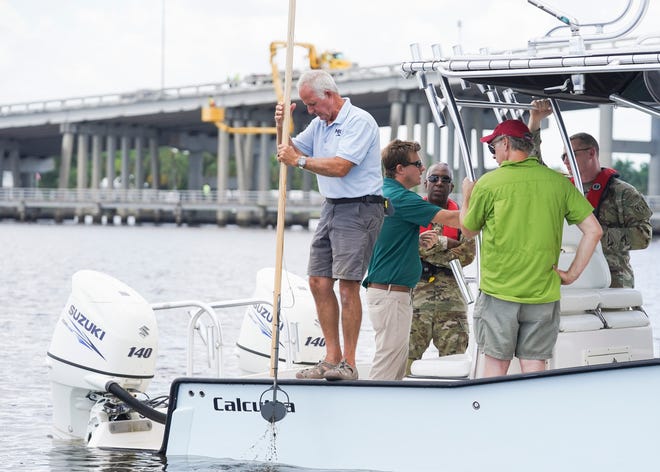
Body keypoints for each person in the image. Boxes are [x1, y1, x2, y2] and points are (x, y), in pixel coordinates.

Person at [460, 119, 603, 378]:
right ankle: (532, 417)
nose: (494, 153)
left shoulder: (488, 183)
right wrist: (570, 275)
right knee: (534, 368)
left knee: (495, 366)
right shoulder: (558, 183)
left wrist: (466, 196)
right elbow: (594, 231)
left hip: (499, 292)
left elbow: (468, 230)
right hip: (543, 293)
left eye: (493, 147)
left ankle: (492, 417)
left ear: (505, 144)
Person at [275, 69, 384, 381]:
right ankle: (331, 357)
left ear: (329, 95)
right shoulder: (319, 123)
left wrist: (298, 161)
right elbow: (290, 149)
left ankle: (348, 363)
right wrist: (282, 125)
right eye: (306, 107)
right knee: (318, 282)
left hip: (360, 208)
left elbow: (340, 167)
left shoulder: (358, 121)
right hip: (331, 207)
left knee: (348, 285)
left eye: (312, 105)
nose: (311, 111)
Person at [362, 140, 460, 381]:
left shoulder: (380, 192)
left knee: (393, 363)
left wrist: (413, 243)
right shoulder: (402, 198)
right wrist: (475, 196)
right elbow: (455, 219)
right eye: (417, 164)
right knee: (388, 366)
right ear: (400, 169)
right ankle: (372, 412)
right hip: (391, 294)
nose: (422, 169)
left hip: (385, 291)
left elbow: (382, 239)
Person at [527, 100, 653, 288]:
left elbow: (643, 237)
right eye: (563, 156)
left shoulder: (623, 193)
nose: (565, 160)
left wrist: (591, 236)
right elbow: (531, 165)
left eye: (571, 154)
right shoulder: (562, 187)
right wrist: (534, 121)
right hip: (567, 279)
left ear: (591, 153)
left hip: (613, 282)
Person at [406, 163, 476, 376]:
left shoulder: (463, 216)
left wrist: (437, 243)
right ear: (426, 183)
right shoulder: (413, 212)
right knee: (404, 362)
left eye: (444, 180)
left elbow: (467, 255)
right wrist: (448, 245)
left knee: (454, 365)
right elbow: (406, 249)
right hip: (416, 303)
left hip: (452, 305)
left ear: (451, 185)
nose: (439, 183)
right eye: (434, 178)